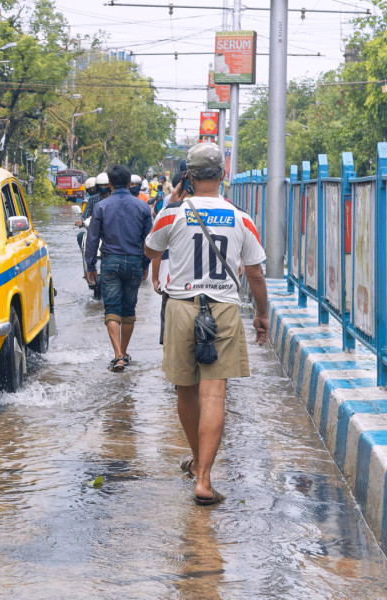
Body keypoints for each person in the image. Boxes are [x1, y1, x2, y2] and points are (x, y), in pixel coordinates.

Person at [143, 143, 269, 506]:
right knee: (214, 395)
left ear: (189, 176)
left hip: (181, 307)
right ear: (223, 175)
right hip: (224, 308)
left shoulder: (173, 214)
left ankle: (198, 460)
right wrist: (261, 314)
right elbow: (256, 275)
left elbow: (150, 252)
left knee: (185, 391)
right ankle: (204, 478)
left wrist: (173, 199)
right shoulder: (241, 217)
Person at [84, 165, 153, 372]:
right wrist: (145, 264)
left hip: (110, 262)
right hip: (134, 261)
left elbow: (92, 239)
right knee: (128, 310)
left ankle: (118, 356)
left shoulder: (102, 207)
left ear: (111, 184)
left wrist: (90, 265)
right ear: (130, 184)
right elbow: (148, 240)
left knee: (111, 309)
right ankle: (123, 352)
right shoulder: (142, 207)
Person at [150, 161, 188, 346]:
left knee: (170, 335)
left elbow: (155, 249)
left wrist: (155, 278)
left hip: (172, 282)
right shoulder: (220, 208)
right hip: (208, 288)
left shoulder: (168, 212)